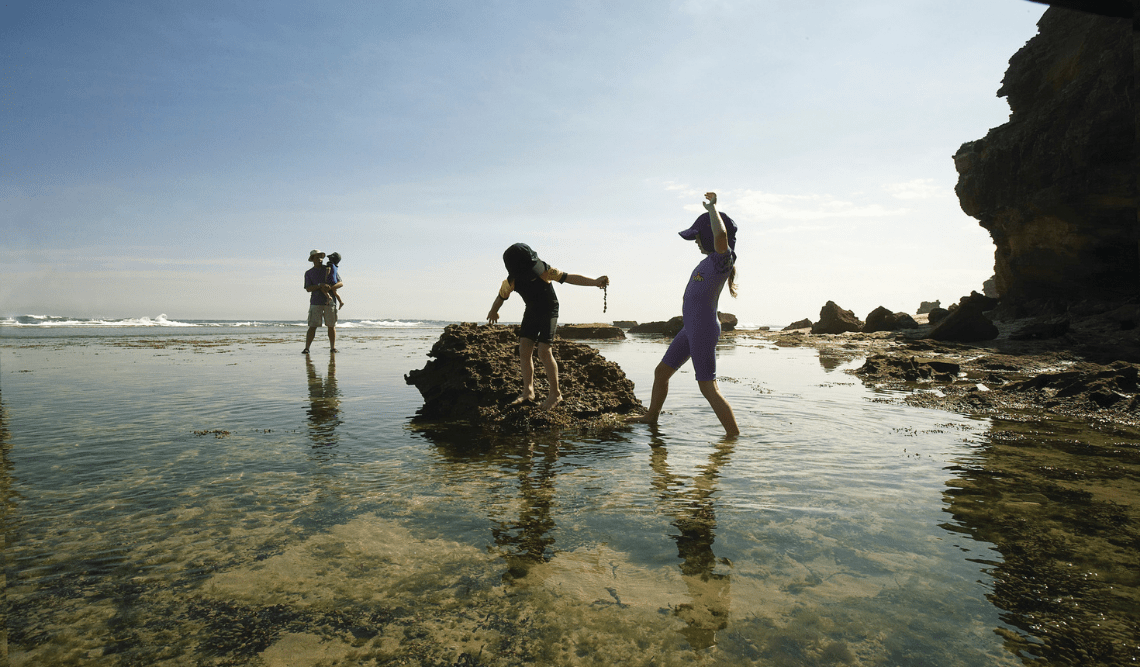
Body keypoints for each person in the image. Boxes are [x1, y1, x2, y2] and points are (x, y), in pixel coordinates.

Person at [628, 193, 740, 435]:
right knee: (661, 372)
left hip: (703, 329)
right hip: (690, 329)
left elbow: (721, 236)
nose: (696, 242)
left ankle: (733, 436)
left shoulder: (723, 260)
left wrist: (712, 209)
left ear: (710, 236)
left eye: (699, 237)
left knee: (707, 386)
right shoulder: (708, 261)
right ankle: (651, 417)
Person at [486, 243, 609, 411]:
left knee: (544, 351)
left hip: (549, 310)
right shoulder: (511, 281)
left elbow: (569, 277)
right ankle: (528, 391)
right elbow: (501, 297)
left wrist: (595, 282)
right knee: (524, 349)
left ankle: (555, 394)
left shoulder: (544, 270)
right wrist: (493, 311)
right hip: (532, 310)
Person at [303, 249, 343, 354]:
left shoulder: (329, 268)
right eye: (317, 257)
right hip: (316, 302)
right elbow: (308, 288)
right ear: (312, 259)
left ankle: (333, 347)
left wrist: (329, 287)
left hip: (331, 302)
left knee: (331, 326)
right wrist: (319, 285)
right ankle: (307, 348)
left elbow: (340, 283)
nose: (320, 259)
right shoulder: (309, 273)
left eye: (321, 257)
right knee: (312, 326)